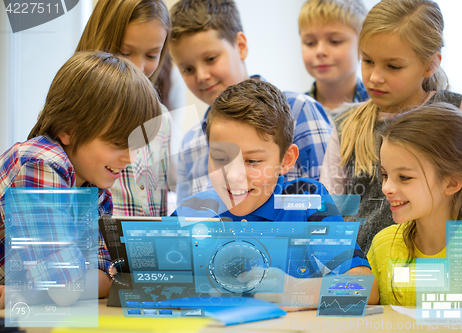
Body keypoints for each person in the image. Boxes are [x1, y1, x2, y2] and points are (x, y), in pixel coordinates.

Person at [173, 79, 379, 307]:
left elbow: (365, 288)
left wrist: (299, 291)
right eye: (221, 158)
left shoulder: (305, 201)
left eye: (252, 161)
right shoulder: (192, 211)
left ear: (286, 160)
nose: (233, 175)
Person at [319, 0, 462, 253]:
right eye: (367, 61)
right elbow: (329, 211)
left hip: (443, 269)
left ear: (430, 64)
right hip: (364, 271)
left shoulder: (458, 110)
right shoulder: (345, 124)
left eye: (393, 66)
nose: (374, 77)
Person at [0, 51, 162, 306]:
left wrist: (25, 293)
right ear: (68, 130)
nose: (130, 159)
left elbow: (105, 277)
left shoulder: (94, 188)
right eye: (118, 143)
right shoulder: (39, 163)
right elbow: (65, 289)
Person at [169, 0, 332, 204]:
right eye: (188, 69)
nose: (201, 76)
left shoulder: (299, 110)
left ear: (241, 46)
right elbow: (188, 223)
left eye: (211, 59)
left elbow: (331, 204)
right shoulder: (190, 144)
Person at [368, 103, 462, 307]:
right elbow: (346, 298)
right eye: (385, 175)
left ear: (452, 183)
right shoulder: (383, 243)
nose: (386, 188)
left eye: (404, 177)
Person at [77, 0, 173, 216]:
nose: (138, 68)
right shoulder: (74, 112)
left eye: (151, 55)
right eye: (125, 52)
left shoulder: (163, 119)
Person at [299, 0, 369, 122]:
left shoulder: (381, 109)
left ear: (362, 44)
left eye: (335, 41)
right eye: (310, 43)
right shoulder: (292, 110)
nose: (320, 51)